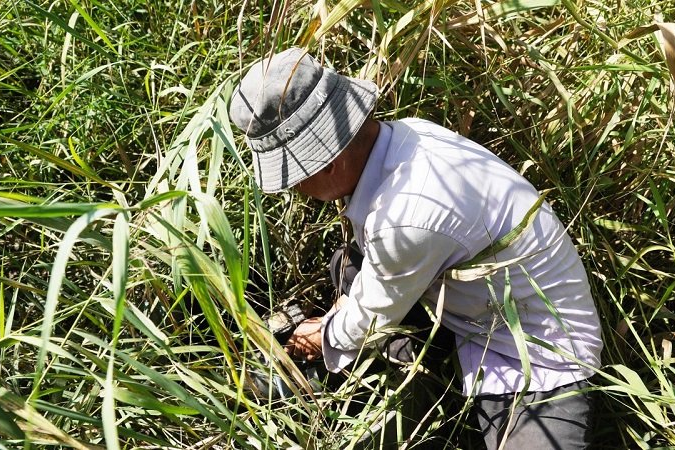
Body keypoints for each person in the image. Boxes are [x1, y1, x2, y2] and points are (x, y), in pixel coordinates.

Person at [229, 47, 603, 449]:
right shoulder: (404, 135)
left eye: (294, 178)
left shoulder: (405, 216)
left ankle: (315, 375)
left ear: (328, 164)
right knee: (348, 267)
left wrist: (322, 337)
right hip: (460, 296)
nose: (295, 189)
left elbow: (371, 316)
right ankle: (369, 374)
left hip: (537, 346)